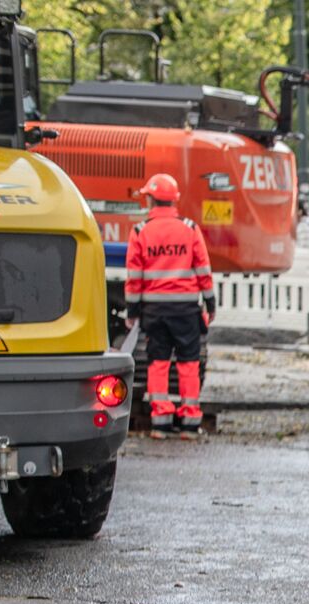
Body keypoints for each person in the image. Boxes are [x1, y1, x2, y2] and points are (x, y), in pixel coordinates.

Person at [124, 173, 215, 434]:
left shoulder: (140, 231)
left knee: (158, 362)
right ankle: (190, 421)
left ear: (151, 199)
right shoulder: (190, 229)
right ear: (174, 201)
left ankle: (160, 422)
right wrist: (210, 304)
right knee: (188, 362)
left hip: (155, 311)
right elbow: (203, 270)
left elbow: (134, 278)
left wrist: (132, 311)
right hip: (187, 309)